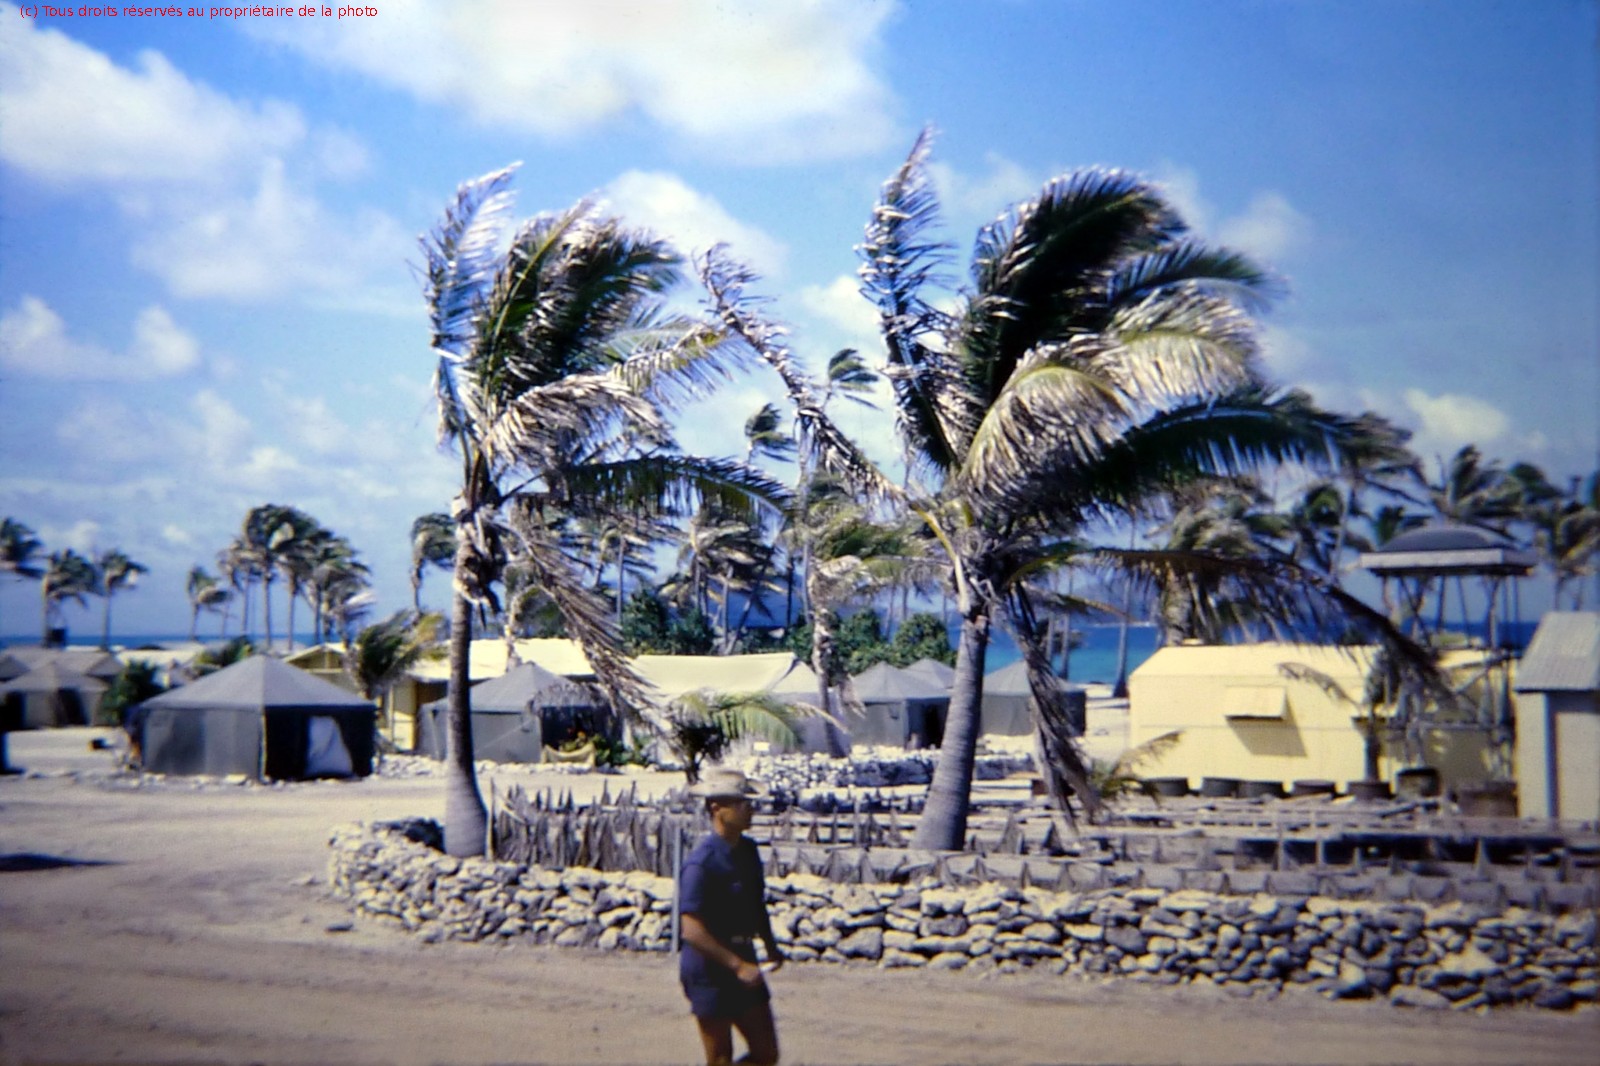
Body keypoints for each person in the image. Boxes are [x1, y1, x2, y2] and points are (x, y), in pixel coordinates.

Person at [678, 767, 784, 1066]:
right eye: (741, 803)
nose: (750, 810)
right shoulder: (702, 863)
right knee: (720, 1058)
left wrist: (770, 945)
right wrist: (737, 965)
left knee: (766, 1053)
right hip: (709, 969)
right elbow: (691, 930)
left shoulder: (747, 851)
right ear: (717, 809)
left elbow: (756, 904)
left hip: (744, 954)